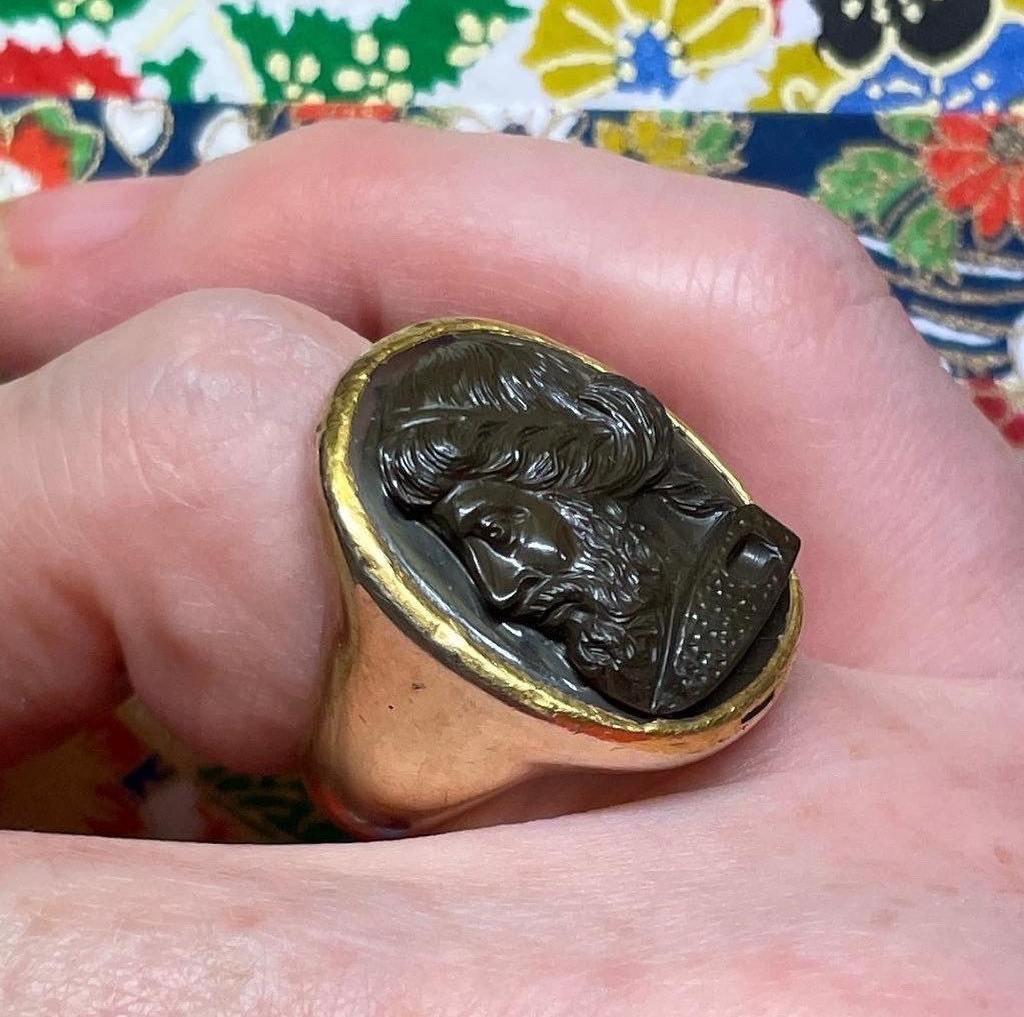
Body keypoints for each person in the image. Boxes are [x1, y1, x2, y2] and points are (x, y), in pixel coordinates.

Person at [0, 121, 1020, 1013]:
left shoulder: (727, 593)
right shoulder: (656, 626)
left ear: (585, 484)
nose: (491, 588)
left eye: (494, 530)